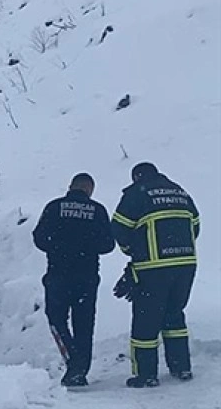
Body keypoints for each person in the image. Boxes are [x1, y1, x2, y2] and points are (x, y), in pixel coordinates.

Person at [111, 162, 201, 388]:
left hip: (153, 267)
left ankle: (146, 374)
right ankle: (181, 367)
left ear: (137, 177)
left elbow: (119, 229)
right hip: (186, 265)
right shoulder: (179, 191)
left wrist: (134, 252)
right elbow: (195, 226)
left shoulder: (137, 194)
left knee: (146, 319)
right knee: (174, 315)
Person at [32, 172, 116, 387]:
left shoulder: (54, 207)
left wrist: (59, 245)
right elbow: (108, 244)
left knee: (55, 318)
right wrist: (86, 246)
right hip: (86, 276)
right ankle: (80, 370)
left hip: (58, 274)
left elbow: (39, 238)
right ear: (90, 189)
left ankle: (73, 362)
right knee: (84, 324)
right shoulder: (98, 211)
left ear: (71, 186)